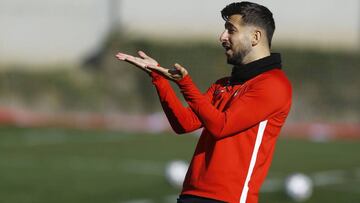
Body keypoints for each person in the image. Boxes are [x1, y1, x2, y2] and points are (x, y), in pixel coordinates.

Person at [115, 1, 292, 203]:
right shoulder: (224, 84)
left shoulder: (274, 84)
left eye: (230, 30)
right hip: (191, 193)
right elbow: (184, 123)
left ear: (255, 37)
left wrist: (184, 83)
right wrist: (159, 79)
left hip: (229, 199)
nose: (222, 37)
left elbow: (221, 126)